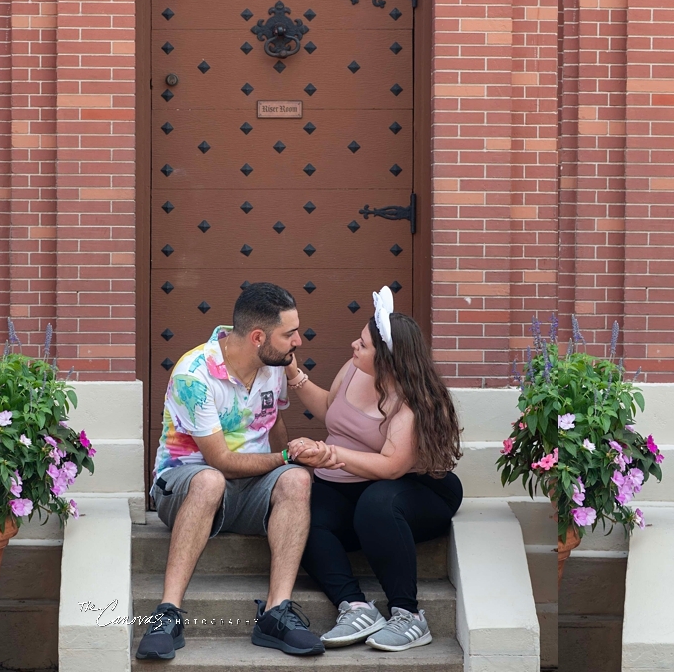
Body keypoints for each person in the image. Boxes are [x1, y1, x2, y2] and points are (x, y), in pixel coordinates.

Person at [136, 282, 326, 661]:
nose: (298, 342)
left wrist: (289, 461)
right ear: (258, 337)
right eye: (289, 333)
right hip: (187, 483)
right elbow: (220, 461)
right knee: (210, 480)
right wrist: (288, 456)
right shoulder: (194, 374)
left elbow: (271, 423)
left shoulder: (274, 365)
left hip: (248, 489)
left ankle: (276, 613)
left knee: (297, 480)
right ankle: (167, 615)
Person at [288, 286, 464, 653]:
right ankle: (355, 608)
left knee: (377, 503)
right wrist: (293, 372)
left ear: (387, 358)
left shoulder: (415, 400)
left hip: (416, 491)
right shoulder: (354, 370)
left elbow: (391, 466)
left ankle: (408, 616)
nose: (354, 345)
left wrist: (328, 454)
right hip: (350, 489)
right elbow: (329, 410)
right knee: (296, 511)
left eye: (364, 344)